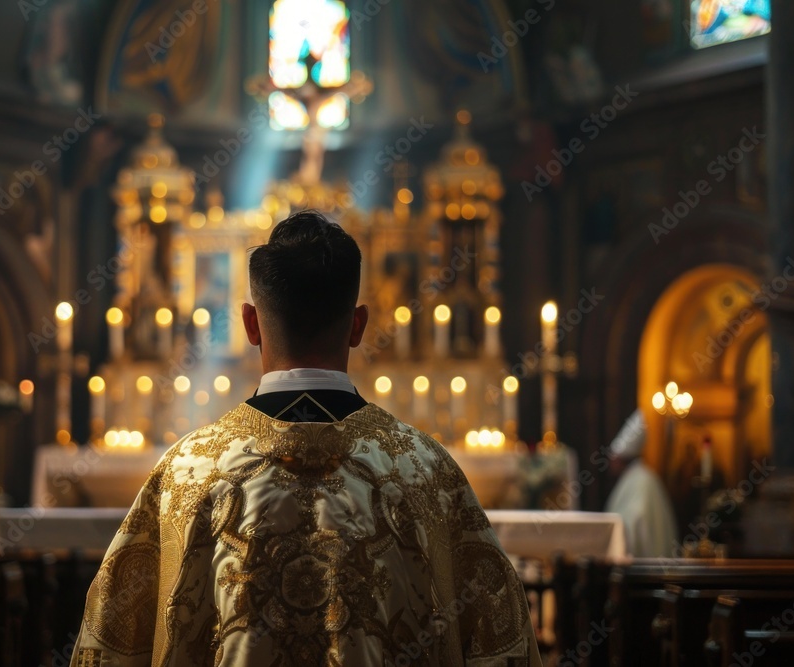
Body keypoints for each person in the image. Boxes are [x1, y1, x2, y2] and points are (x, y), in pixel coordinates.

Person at [70, 211, 542, 666]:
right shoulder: (426, 472)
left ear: (251, 324)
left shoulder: (188, 472)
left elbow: (111, 643)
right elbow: (499, 642)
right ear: (358, 326)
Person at [604, 409, 679, 558]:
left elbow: (636, 522)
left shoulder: (642, 480)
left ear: (620, 459)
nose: (610, 462)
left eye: (613, 456)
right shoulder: (633, 478)